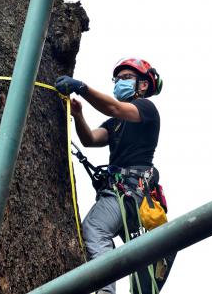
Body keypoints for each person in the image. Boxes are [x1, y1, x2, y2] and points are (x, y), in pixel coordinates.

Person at [55, 58, 173, 294]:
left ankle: (105, 292)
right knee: (108, 241)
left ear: (143, 86)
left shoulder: (146, 109)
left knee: (95, 229)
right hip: (121, 192)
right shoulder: (114, 124)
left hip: (129, 190)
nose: (120, 82)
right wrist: (78, 116)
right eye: (117, 79)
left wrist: (82, 88)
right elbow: (90, 139)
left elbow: (114, 107)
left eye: (127, 78)